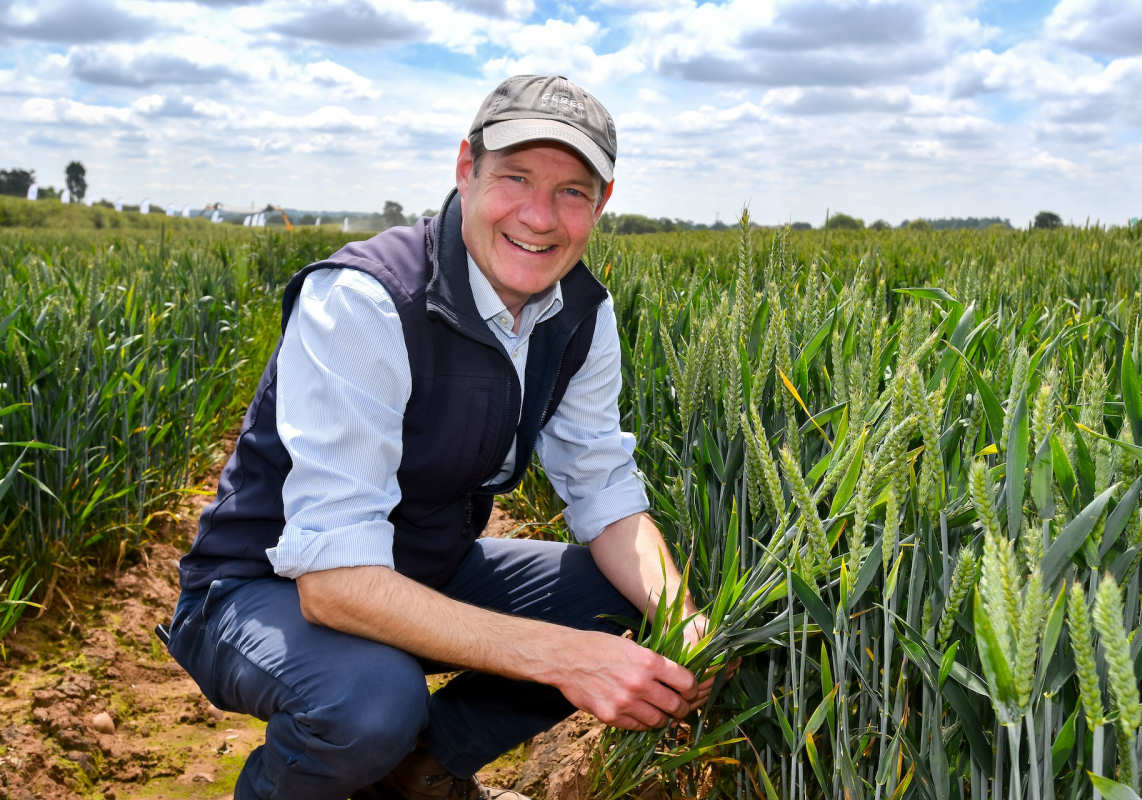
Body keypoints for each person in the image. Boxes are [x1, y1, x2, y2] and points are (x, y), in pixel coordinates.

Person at [166, 74, 715, 800]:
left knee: (621, 600)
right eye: (515, 177)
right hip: (262, 586)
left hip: (419, 565)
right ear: (466, 169)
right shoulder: (365, 301)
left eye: (572, 191)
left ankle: (415, 773)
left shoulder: (581, 314)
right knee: (370, 703)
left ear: (601, 204)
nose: (539, 216)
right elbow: (333, 583)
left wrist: (687, 625)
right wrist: (563, 658)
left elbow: (605, 493)